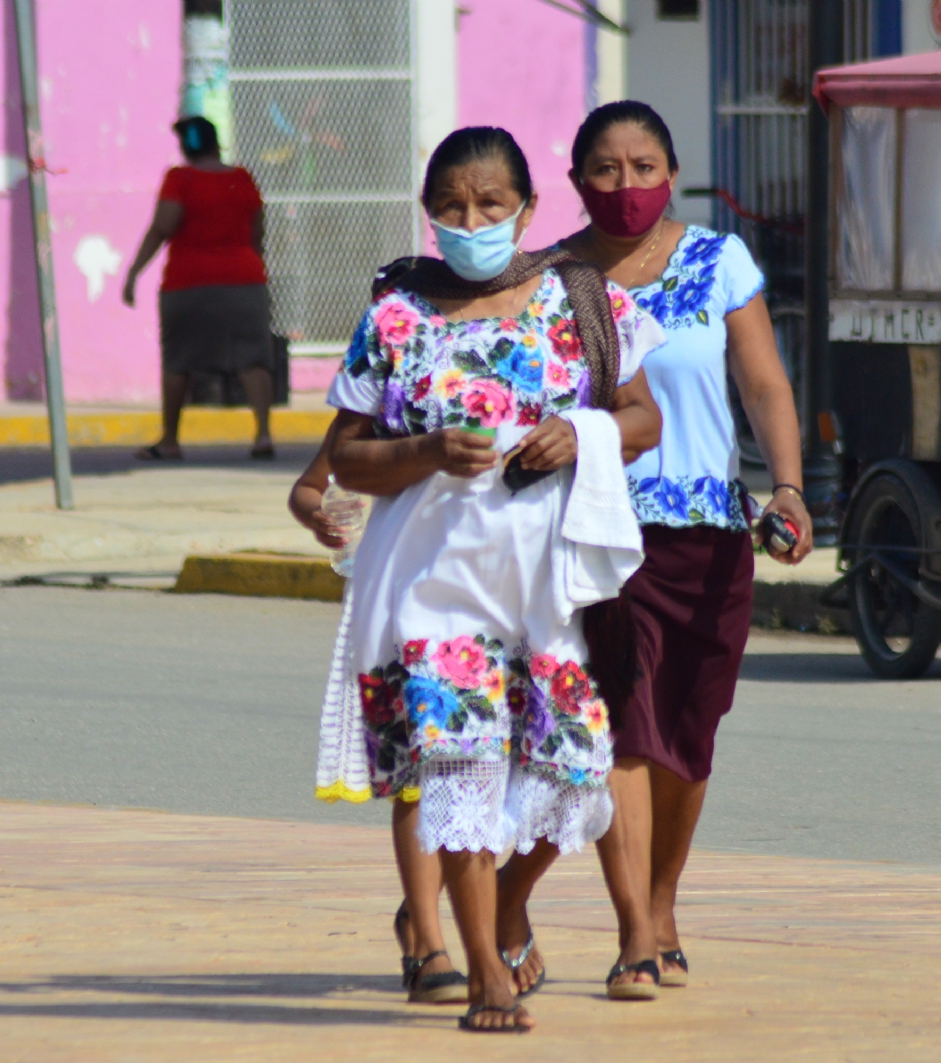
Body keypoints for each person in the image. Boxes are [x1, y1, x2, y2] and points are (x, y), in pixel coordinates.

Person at [323, 126, 665, 1032]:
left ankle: (505, 907)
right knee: (460, 773)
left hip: (546, 593)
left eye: (489, 204)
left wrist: (580, 433)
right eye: (451, 207)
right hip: (433, 593)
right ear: (428, 214)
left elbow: (641, 418)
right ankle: (484, 972)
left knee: (574, 770)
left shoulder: (579, 300)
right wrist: (428, 449)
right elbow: (347, 458)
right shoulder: (396, 315)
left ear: (528, 208)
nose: (470, 222)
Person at [500, 101, 813, 1000]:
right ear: (574, 181)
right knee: (624, 727)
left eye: (644, 167)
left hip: (712, 536)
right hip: (595, 531)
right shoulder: (546, 280)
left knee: (689, 730)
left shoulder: (721, 261)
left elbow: (762, 382)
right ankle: (636, 931)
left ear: (672, 172)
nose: (625, 185)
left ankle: (654, 903)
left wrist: (787, 487)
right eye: (605, 168)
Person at [292, 425, 467, 1007]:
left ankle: (481, 916)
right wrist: (319, 515)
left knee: (498, 770)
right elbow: (309, 485)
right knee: (417, 772)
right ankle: (427, 943)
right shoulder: (386, 374)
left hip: (486, 587)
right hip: (398, 593)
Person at [122, 115, 275, 460]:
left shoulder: (180, 179)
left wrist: (134, 271)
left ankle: (170, 440)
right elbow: (257, 232)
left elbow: (165, 224)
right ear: (215, 141)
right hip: (244, 279)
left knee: (179, 360)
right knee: (253, 359)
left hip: (189, 282)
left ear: (186, 147)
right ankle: (263, 435)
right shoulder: (242, 178)